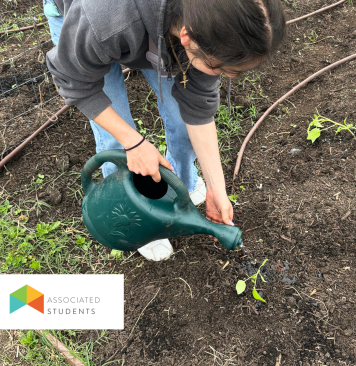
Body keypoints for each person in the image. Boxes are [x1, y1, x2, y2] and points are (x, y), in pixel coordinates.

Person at [43, 0, 286, 261]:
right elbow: (74, 81)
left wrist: (218, 189)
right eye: (222, 69)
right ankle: (132, 211)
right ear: (188, 37)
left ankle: (176, 192)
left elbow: (198, 107)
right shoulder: (104, 20)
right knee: (117, 141)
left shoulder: (213, 18)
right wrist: (134, 143)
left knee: (181, 122)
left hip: (148, 28)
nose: (229, 77)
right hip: (85, 24)